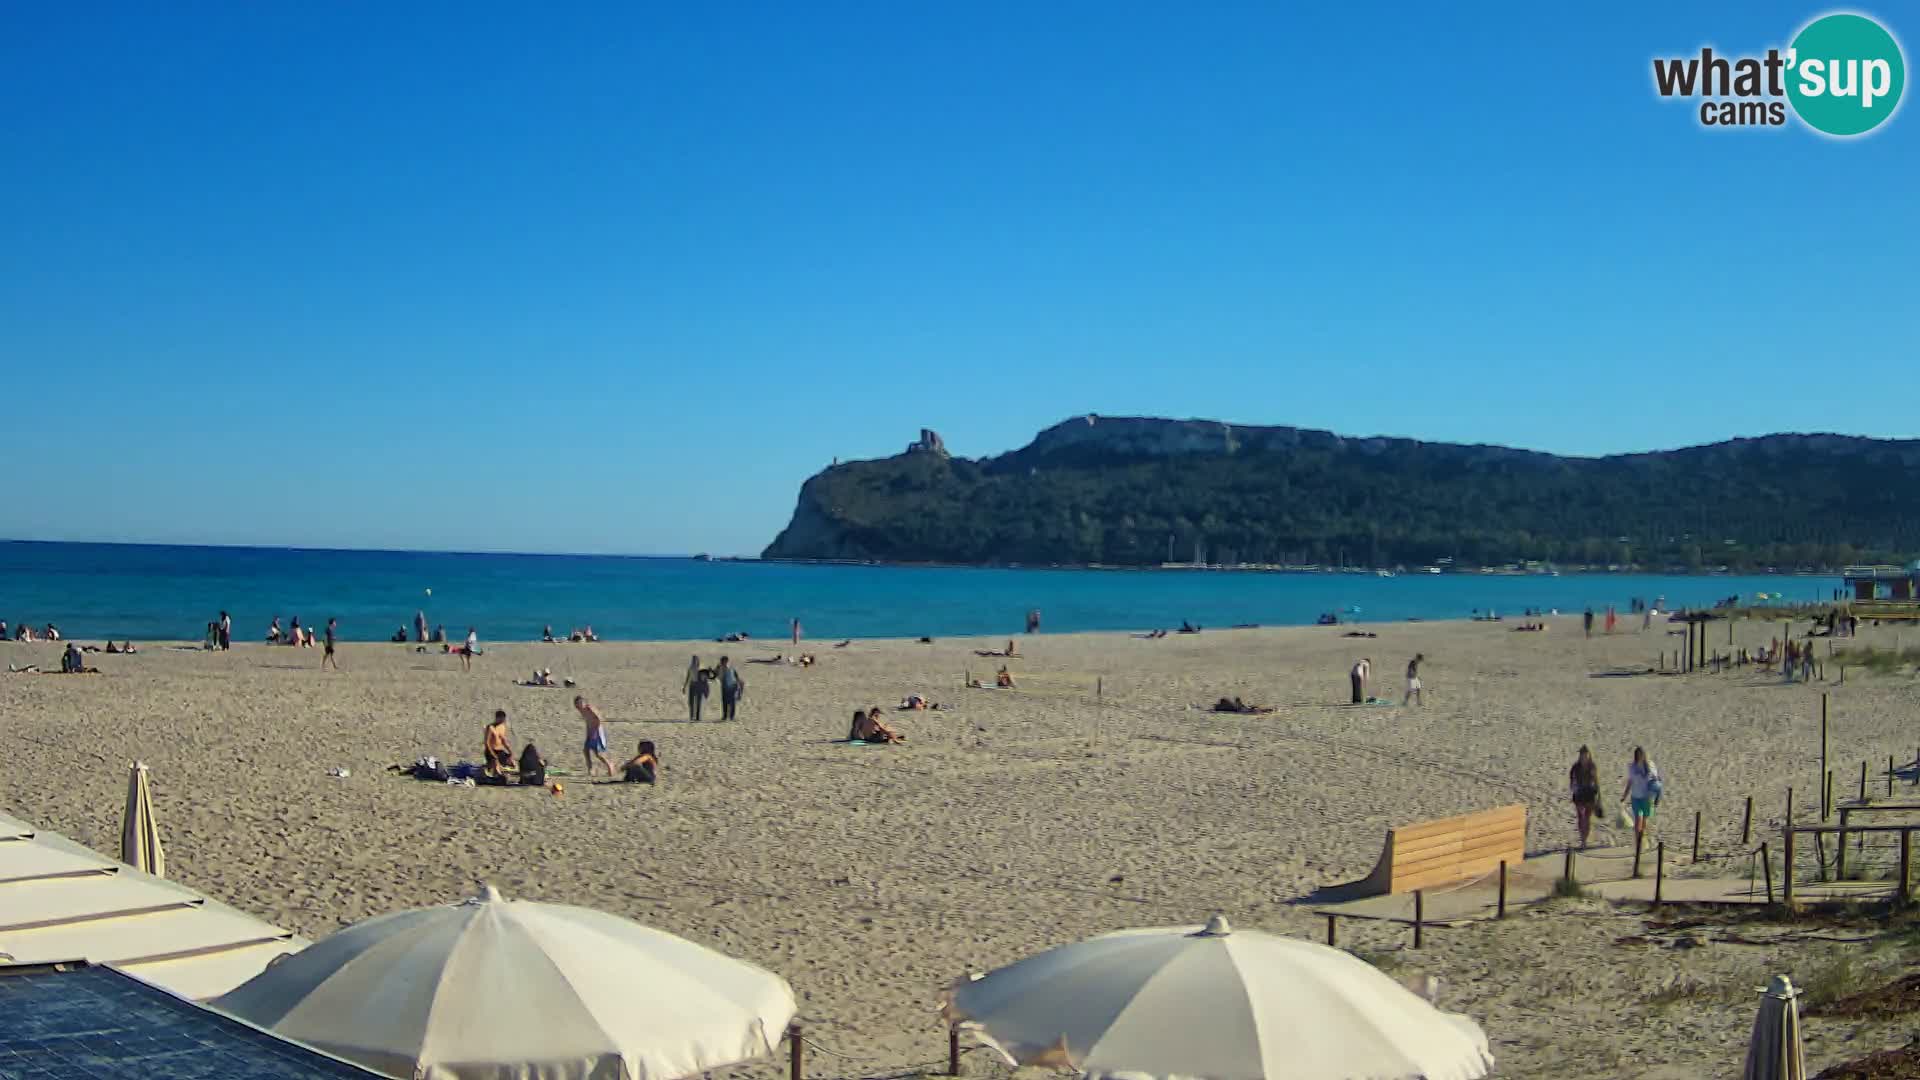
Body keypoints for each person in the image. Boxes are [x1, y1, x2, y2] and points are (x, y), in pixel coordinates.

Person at [1622, 746, 1662, 842]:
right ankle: (1638, 840)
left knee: (1644, 819)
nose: (1639, 756)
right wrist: (1624, 795)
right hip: (1635, 797)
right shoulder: (1632, 767)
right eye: (1637, 754)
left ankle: (1641, 837)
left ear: (1644, 755)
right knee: (1638, 819)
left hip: (1647, 798)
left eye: (1641, 754)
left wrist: (1657, 796)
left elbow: (1657, 781)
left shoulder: (1650, 765)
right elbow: (1630, 782)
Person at [575, 695, 615, 777]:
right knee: (586, 751)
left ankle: (610, 766)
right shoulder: (582, 712)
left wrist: (595, 732)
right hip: (590, 733)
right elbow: (588, 723)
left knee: (598, 753)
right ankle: (590, 769)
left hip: (597, 733)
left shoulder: (589, 708)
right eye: (577, 705)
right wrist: (588, 734)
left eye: (579, 704)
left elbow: (599, 719)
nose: (578, 706)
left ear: (583, 702)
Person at [1569, 746, 1601, 848]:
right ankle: (1582, 839)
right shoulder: (1575, 767)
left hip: (1590, 793)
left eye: (1586, 754)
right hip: (1579, 793)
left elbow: (1596, 781)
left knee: (1587, 817)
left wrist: (1599, 795)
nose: (1585, 757)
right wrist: (1574, 790)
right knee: (1580, 816)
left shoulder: (1592, 766)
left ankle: (1584, 840)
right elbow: (1572, 781)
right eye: (1583, 754)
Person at [483, 711, 514, 778]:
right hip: (490, 750)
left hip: (499, 750)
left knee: (512, 762)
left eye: (504, 719)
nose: (503, 720)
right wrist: (493, 754)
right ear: (497, 718)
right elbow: (487, 743)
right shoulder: (490, 728)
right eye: (501, 719)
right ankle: (495, 772)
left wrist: (510, 752)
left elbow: (503, 740)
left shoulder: (502, 727)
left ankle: (502, 771)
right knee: (496, 762)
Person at [716, 657, 743, 721]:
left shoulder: (731, 668)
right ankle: (725, 716)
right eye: (723, 662)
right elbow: (716, 676)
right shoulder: (720, 668)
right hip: (724, 687)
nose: (725, 663)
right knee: (725, 702)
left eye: (726, 661)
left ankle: (731, 717)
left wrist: (739, 684)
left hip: (732, 686)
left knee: (732, 702)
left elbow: (736, 676)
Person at [684, 656, 709, 722]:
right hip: (692, 685)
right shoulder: (690, 668)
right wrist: (685, 686)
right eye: (693, 660)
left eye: (696, 660)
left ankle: (698, 717)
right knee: (691, 702)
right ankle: (692, 716)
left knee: (698, 702)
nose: (694, 661)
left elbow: (705, 679)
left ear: (698, 660)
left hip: (699, 685)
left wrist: (705, 689)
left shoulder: (701, 668)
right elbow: (688, 677)